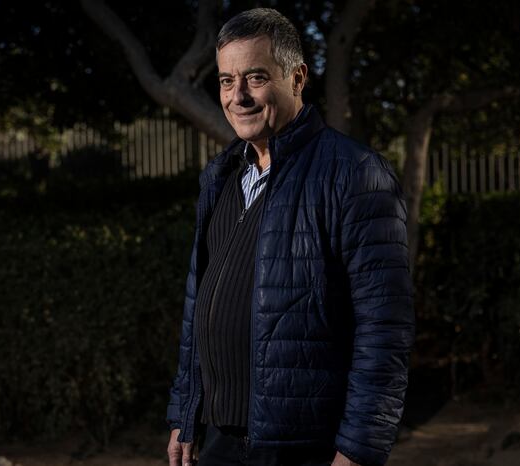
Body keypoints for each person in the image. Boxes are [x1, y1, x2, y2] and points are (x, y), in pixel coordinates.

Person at [166, 8, 414, 466]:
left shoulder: (355, 174)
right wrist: (186, 411)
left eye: (255, 78)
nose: (237, 96)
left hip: (303, 448)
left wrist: (358, 449)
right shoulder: (221, 177)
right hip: (220, 440)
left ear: (297, 78)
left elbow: (384, 328)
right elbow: (198, 304)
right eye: (226, 81)